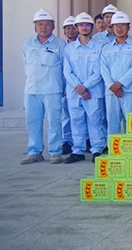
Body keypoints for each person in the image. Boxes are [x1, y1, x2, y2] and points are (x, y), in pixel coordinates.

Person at [20, 10, 66, 165]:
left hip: (52, 89)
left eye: (47, 24)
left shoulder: (60, 44)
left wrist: (64, 87)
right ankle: (34, 152)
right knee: (32, 122)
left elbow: (65, 68)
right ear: (35, 26)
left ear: (53, 26)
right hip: (32, 89)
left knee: (54, 122)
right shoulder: (28, 43)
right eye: (40, 24)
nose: (43, 27)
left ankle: (55, 152)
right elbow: (26, 65)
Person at [63, 12, 107, 163]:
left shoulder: (100, 47)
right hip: (75, 92)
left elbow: (99, 71)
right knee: (76, 121)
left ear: (92, 27)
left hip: (93, 91)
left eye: (87, 24)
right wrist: (79, 87)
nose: (84, 27)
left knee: (95, 120)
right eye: (81, 25)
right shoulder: (69, 48)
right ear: (76, 27)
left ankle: (97, 149)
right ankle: (78, 150)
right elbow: (67, 71)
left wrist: (85, 86)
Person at [100, 11, 132, 135]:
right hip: (111, 92)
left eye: (123, 25)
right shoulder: (106, 48)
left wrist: (120, 83)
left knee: (131, 123)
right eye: (116, 26)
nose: (119, 29)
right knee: (112, 123)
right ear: (112, 27)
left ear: (128, 27)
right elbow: (103, 68)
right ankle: (113, 146)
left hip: (129, 91)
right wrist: (112, 85)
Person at [60, 15, 79, 153]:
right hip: (64, 86)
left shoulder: (83, 45)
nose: (70, 31)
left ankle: (84, 141)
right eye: (67, 28)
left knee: (82, 116)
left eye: (73, 28)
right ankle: (67, 141)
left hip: (80, 87)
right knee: (66, 115)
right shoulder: (61, 46)